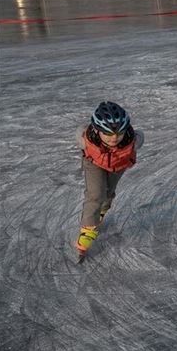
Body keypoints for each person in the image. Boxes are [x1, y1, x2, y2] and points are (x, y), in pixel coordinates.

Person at [75, 101, 143, 261]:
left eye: (119, 134)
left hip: (118, 165)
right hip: (94, 164)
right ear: (98, 131)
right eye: (108, 134)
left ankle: (103, 210)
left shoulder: (133, 140)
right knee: (95, 194)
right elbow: (80, 131)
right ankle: (88, 230)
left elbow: (141, 135)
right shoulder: (86, 138)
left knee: (108, 193)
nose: (114, 139)